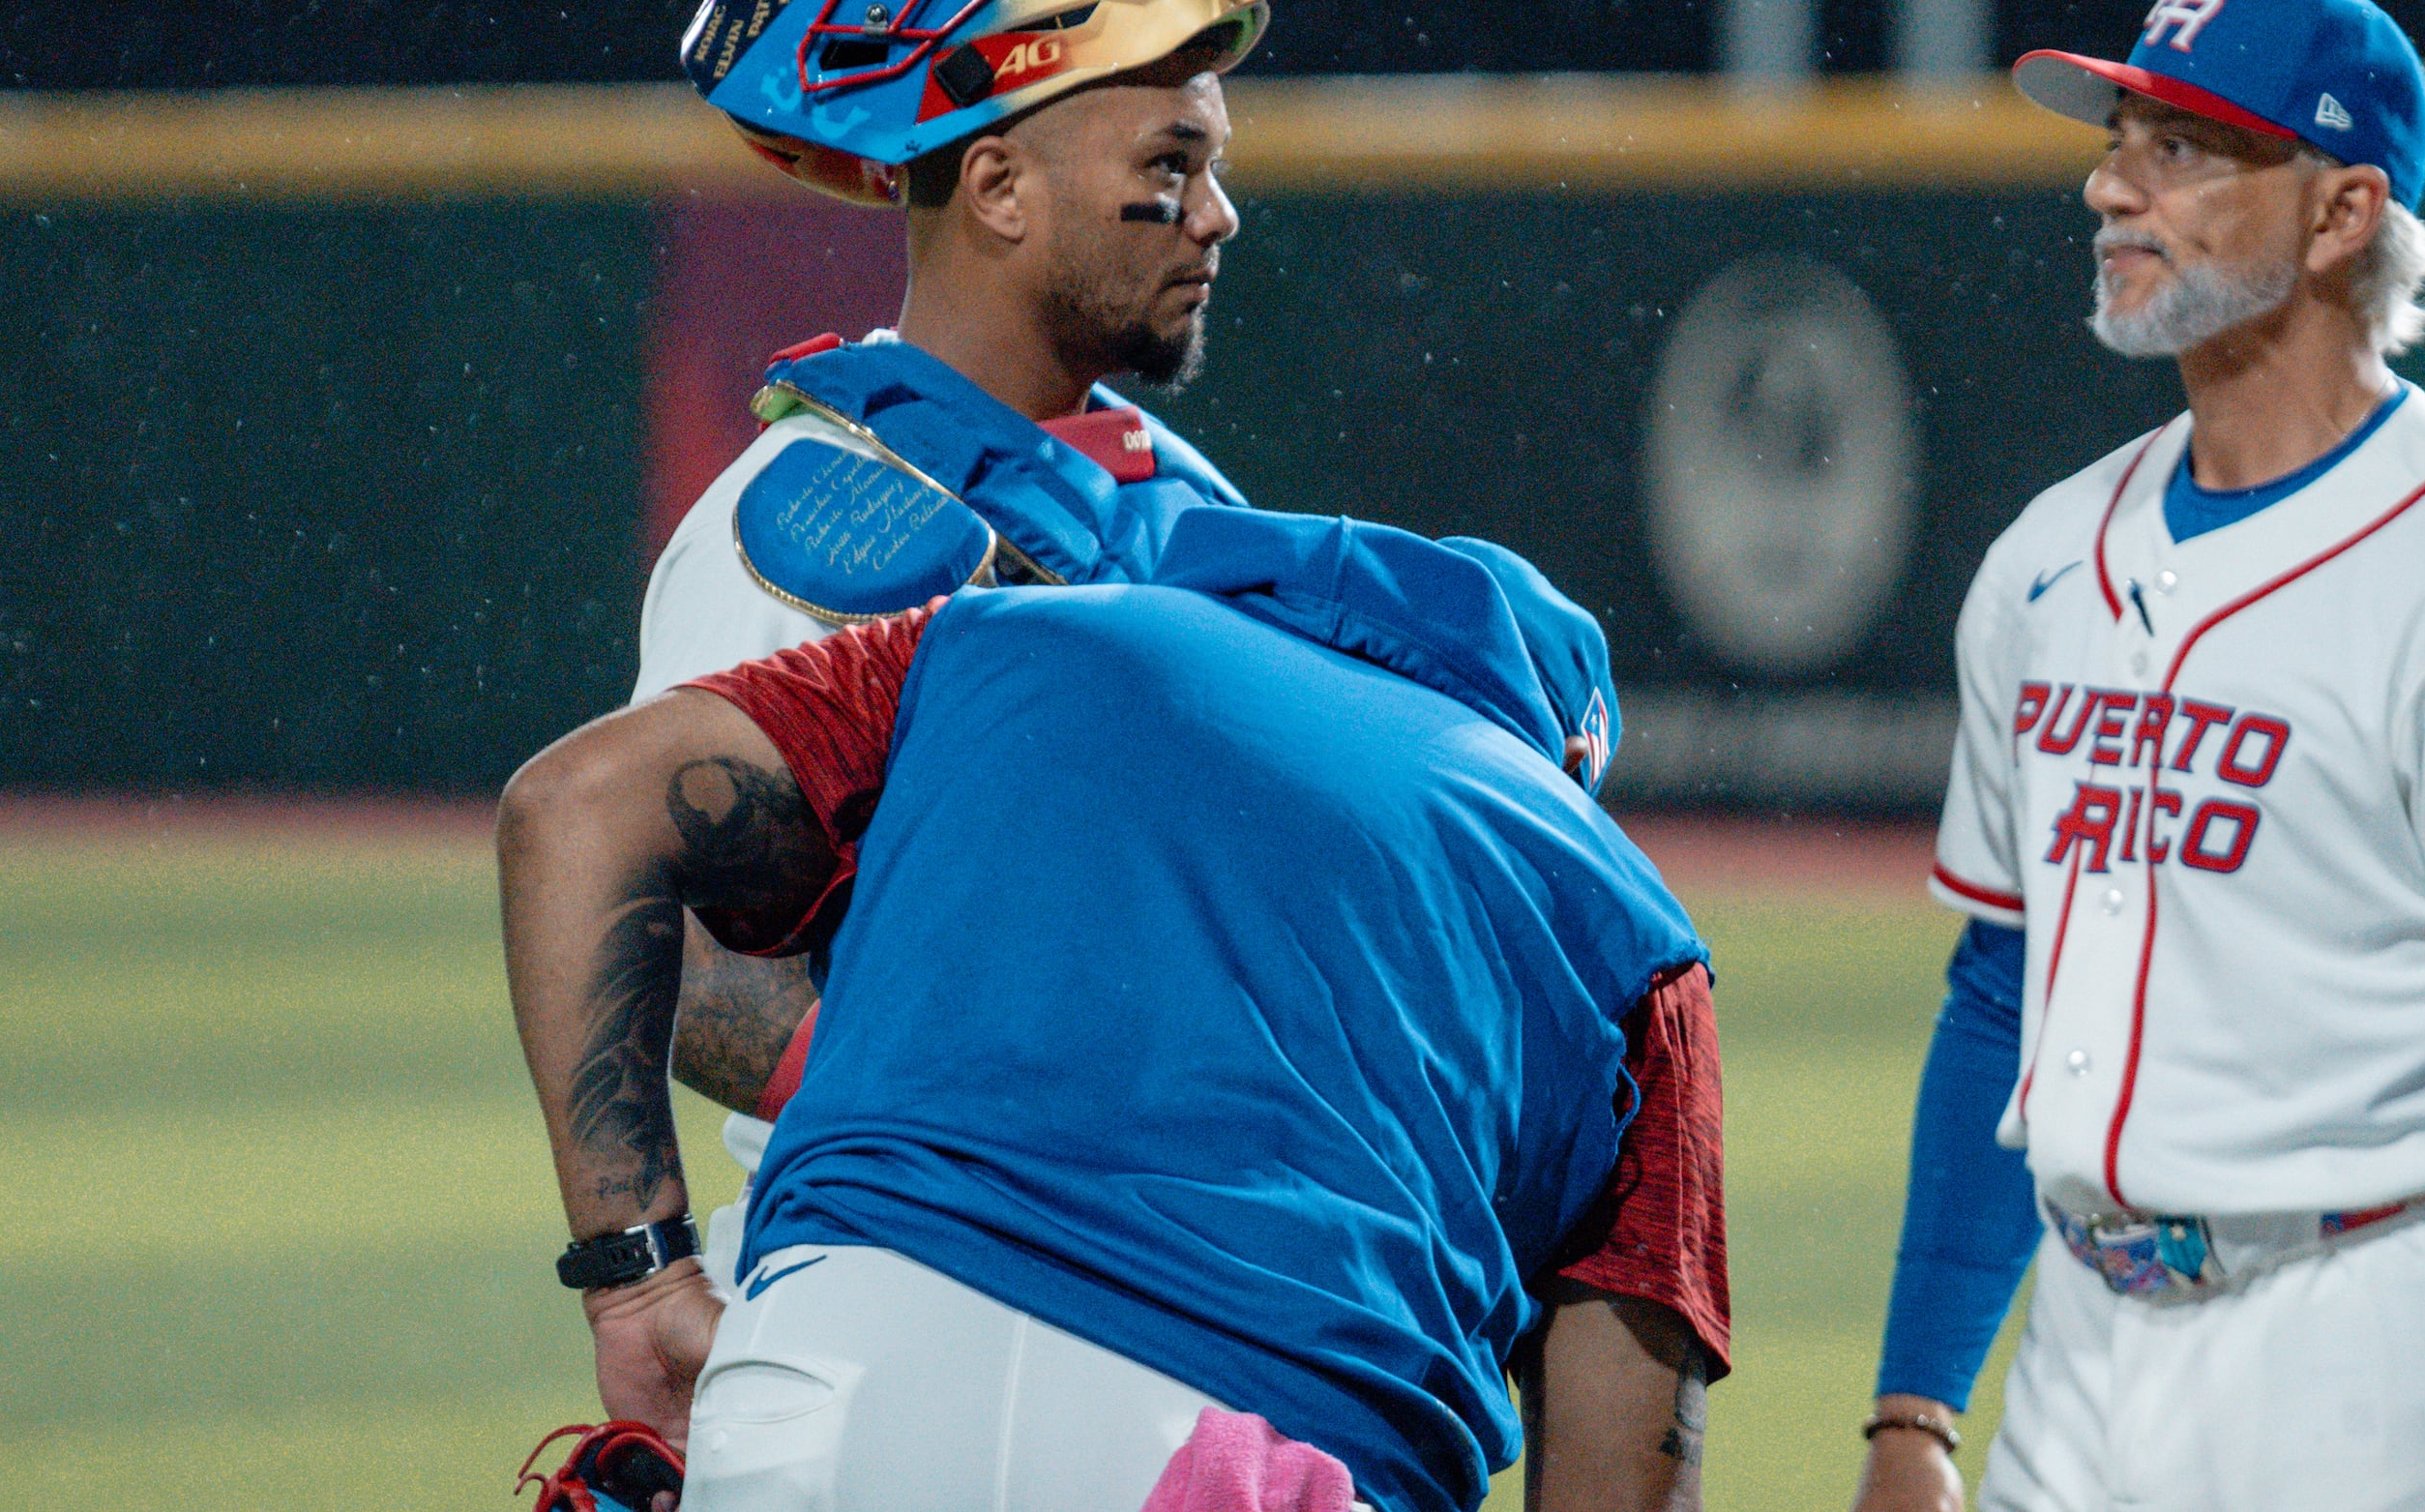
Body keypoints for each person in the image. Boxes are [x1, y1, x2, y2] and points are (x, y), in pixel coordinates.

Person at [499, 504, 1724, 1512]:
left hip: (830, 1384)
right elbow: (1619, 1478)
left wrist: (641, 1284)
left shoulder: (997, 637)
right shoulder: (1627, 919)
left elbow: (571, 804)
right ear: (1563, 762)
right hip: (1258, 1444)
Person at [1856, 0, 2425, 1512]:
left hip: (2361, 1337)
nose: (2109, 182)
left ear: (2343, 213)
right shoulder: (2042, 556)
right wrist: (1914, 1412)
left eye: (2181, 149)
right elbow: (1998, 989)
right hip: (2078, 1357)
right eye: (2118, 137)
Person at [633, 0, 1286, 1239]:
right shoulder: (818, 526)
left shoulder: (1171, 498)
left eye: (1215, 164)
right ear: (996, 186)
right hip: (891, 1291)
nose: (1217, 212)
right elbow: (683, 958)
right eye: (1169, 167)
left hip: (1162, 1299)